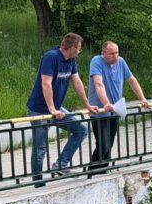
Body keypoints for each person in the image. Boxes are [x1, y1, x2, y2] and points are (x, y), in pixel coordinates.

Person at [26, 33, 99, 187]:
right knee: (40, 147)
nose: (80, 52)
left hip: (56, 108)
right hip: (39, 109)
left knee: (81, 130)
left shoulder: (71, 60)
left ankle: (61, 164)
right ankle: (38, 183)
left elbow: (77, 82)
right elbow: (46, 83)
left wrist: (87, 104)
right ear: (72, 47)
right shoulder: (51, 57)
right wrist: (51, 108)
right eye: (79, 48)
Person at [87, 41, 151, 175]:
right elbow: (98, 84)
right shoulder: (97, 61)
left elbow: (132, 80)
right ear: (103, 53)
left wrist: (142, 98)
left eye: (116, 52)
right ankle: (92, 174)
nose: (115, 56)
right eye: (111, 53)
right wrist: (105, 103)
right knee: (103, 144)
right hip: (100, 111)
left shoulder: (121, 62)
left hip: (115, 110)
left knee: (109, 145)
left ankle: (103, 172)